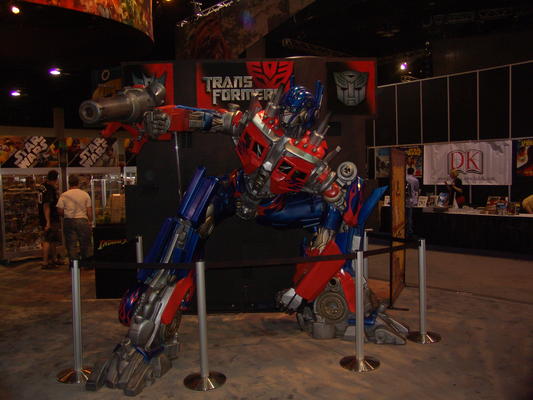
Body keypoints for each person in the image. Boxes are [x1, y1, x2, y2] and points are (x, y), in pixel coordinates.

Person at [56, 175, 93, 264]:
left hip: (69, 220)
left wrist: (66, 214)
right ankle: (86, 263)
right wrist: (90, 221)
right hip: (82, 220)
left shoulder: (64, 195)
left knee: (71, 244)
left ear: (69, 183)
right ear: (78, 183)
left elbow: (59, 210)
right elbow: (89, 211)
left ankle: (74, 264)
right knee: (85, 242)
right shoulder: (85, 194)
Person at [38, 170, 62, 269]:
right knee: (48, 239)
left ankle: (54, 259)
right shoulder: (49, 189)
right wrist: (48, 222)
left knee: (52, 239)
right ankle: (45, 262)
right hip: (50, 218)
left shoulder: (42, 186)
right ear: (55, 179)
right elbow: (46, 205)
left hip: (44, 217)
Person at [405, 167, 420, 237]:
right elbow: (416, 189)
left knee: (404, 215)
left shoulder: (404, 178)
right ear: (413, 172)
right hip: (410, 200)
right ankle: (409, 231)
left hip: (403, 199)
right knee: (409, 216)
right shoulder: (415, 180)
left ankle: (403, 230)